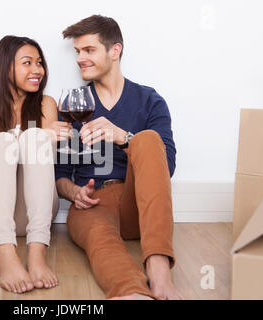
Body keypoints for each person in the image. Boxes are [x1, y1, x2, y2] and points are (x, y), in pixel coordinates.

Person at [55, 15, 183, 300]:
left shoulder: (149, 100)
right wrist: (74, 192)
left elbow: (167, 164)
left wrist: (123, 137)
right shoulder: (73, 104)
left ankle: (160, 272)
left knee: (149, 139)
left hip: (138, 202)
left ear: (115, 51)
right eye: (77, 52)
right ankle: (131, 292)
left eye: (88, 50)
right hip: (94, 201)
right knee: (100, 238)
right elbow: (60, 175)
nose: (80, 58)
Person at [0, 35, 72, 294]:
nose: (37, 70)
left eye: (40, 63)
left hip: (34, 214)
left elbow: (42, 167)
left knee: (34, 137)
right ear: (5, 67)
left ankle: (37, 253)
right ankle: (5, 254)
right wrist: (36, 134)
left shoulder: (46, 104)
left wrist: (38, 136)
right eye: (27, 62)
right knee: (2, 142)